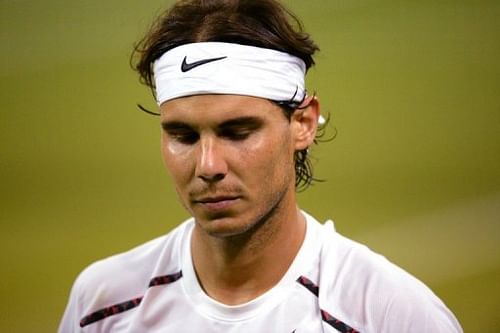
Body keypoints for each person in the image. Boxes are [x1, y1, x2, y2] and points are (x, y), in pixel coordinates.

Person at [59, 0, 463, 332]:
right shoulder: (102, 304)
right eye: (183, 136)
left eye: (237, 132)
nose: (208, 165)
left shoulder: (392, 315)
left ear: (302, 123)